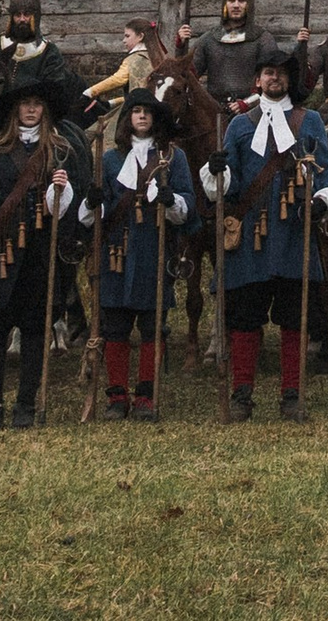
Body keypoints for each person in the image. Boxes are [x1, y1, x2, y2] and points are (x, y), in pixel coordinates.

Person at [200, 47, 328, 421]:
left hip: (294, 232)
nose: (274, 78)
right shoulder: (239, 125)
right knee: (244, 317)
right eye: (268, 72)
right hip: (250, 235)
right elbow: (224, 188)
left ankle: (292, 395)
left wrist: (321, 201)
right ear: (257, 80)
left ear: (289, 80)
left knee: (294, 317)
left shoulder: (309, 121)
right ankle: (242, 395)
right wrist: (215, 169)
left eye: (280, 73)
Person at [0, 71, 92, 429]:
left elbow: (67, 213)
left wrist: (58, 191)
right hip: (0, 252)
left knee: (35, 330)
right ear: (15, 110)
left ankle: (26, 404)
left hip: (39, 253)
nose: (31, 110)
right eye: (25, 105)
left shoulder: (61, 151)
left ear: (44, 111)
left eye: (36, 105)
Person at [83, 91, 197, 422]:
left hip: (153, 247)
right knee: (115, 324)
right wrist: (93, 201)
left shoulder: (175, 158)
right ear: (127, 118)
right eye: (136, 112)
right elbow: (96, 213)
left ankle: (146, 396)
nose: (142, 117)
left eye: (148, 112)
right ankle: (117, 396)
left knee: (152, 325)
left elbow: (188, 206)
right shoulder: (108, 160)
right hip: (116, 250)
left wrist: (170, 199)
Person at [0, 0, 77, 132]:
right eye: (17, 15)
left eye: (27, 14)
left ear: (36, 17)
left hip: (36, 118)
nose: (22, 19)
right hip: (1, 118)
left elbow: (54, 88)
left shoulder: (49, 51)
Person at [180, 0, 282, 111]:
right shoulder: (209, 39)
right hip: (214, 109)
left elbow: (271, 78)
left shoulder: (262, 39)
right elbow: (188, 74)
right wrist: (181, 46)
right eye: (231, 0)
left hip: (253, 111)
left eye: (242, 1)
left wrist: (248, 103)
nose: (236, 5)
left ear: (249, 5)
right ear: (225, 4)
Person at [82, 17, 166, 138]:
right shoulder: (158, 59)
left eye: (127, 36)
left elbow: (118, 79)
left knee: (96, 136)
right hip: (156, 112)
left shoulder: (133, 59)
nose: (123, 41)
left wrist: (90, 92)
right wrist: (116, 101)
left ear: (140, 36)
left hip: (136, 111)